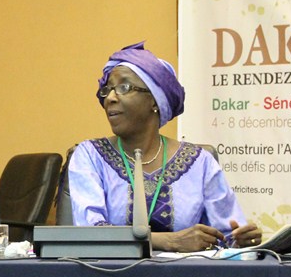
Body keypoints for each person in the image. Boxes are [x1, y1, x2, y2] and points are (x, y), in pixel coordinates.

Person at [68, 42, 262, 252]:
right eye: (108, 90)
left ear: (155, 100)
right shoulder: (90, 156)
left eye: (124, 87)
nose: (110, 98)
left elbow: (226, 237)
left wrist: (240, 241)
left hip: (186, 272)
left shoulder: (200, 162)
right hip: (109, 272)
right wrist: (168, 241)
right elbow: (91, 233)